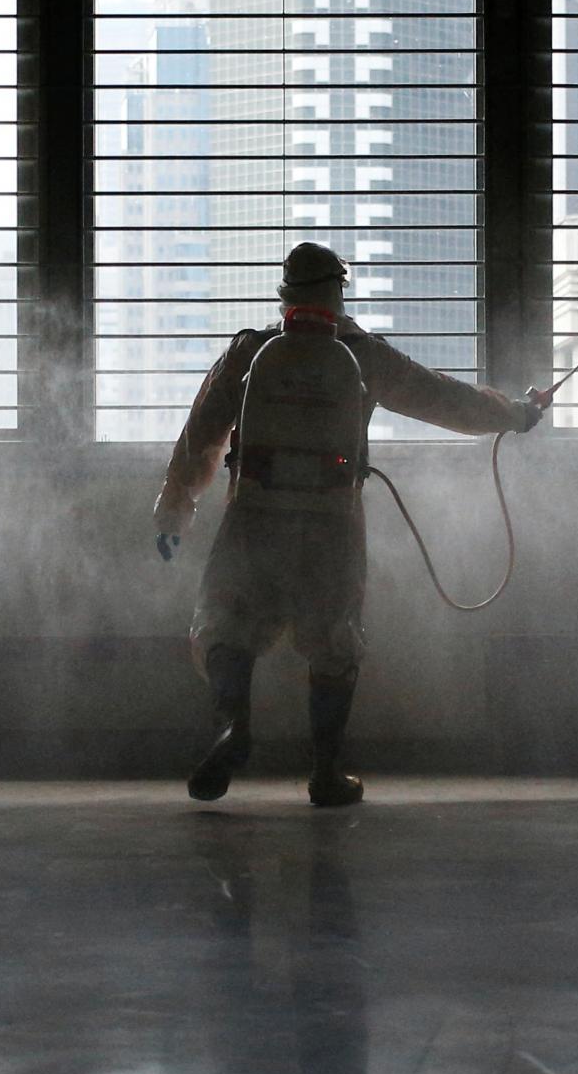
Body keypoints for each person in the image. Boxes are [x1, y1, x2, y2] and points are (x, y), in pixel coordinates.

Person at [152, 242, 554, 805]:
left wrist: (174, 511)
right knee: (335, 641)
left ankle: (232, 729)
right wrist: (516, 412)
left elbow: (200, 441)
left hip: (254, 515)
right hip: (331, 522)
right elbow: (446, 400)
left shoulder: (248, 352)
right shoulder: (365, 355)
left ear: (285, 295)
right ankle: (325, 772)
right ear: (338, 294)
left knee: (225, 627)